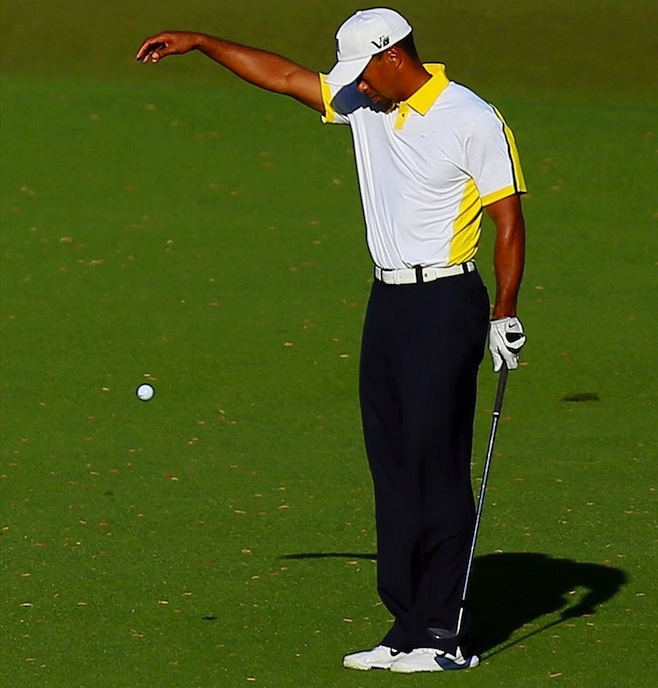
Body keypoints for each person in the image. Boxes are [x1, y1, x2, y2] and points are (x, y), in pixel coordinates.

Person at [136, 7, 527, 673]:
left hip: (445, 302)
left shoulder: (471, 118)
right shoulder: (367, 103)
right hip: (389, 303)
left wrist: (504, 312)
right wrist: (201, 42)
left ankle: (445, 633)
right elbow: (286, 77)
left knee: (434, 461)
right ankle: (406, 624)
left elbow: (509, 221)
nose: (356, 85)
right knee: (392, 463)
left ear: (393, 55)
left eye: (363, 72)